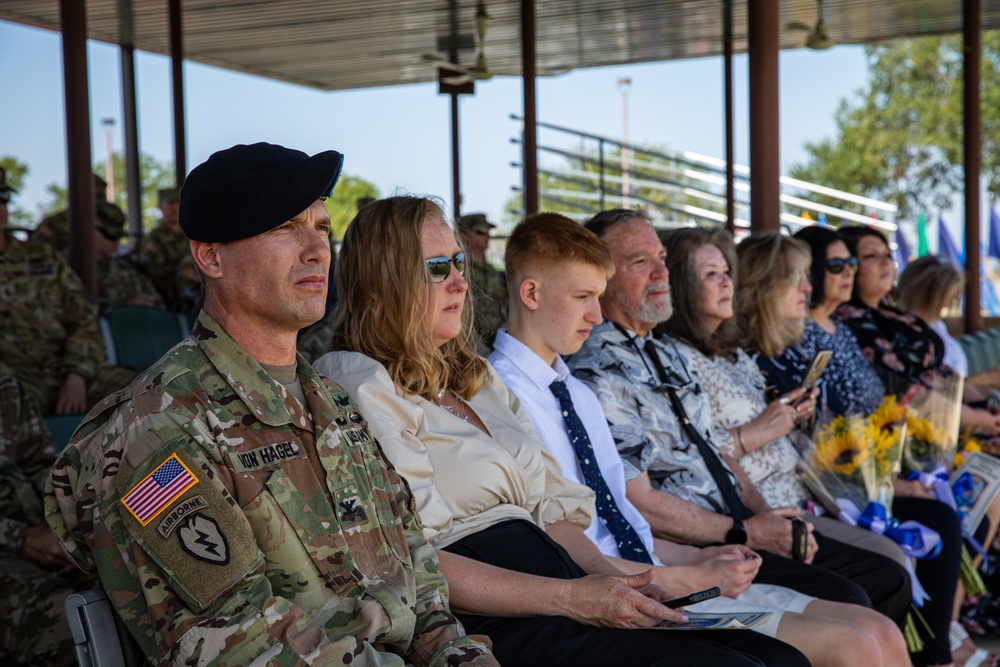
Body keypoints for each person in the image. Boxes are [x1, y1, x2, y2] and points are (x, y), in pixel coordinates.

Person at [45, 143, 498, 667]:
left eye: (322, 228)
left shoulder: (329, 404)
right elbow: (239, 645)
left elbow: (419, 577)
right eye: (285, 228)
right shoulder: (159, 426)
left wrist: (461, 656)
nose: (317, 249)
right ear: (210, 255)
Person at [316, 196, 810, 667]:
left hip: (559, 576)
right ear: (388, 279)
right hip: (489, 609)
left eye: (460, 262)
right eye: (436, 268)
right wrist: (577, 597)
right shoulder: (358, 377)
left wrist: (623, 587)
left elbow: (553, 515)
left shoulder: (475, 377)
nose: (461, 283)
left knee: (777, 657)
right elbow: (414, 556)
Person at [490, 212, 908, 667]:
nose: (596, 312)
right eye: (585, 296)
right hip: (620, 583)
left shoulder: (579, 390)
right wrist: (704, 558)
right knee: (852, 640)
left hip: (669, 560)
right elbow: (574, 527)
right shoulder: (508, 393)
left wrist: (720, 547)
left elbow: (631, 512)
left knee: (879, 631)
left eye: (663, 260)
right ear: (531, 293)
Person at [754, 226, 993, 667]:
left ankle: (945, 636)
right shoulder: (798, 340)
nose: (842, 274)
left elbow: (870, 409)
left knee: (972, 499)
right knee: (931, 524)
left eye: (852, 263)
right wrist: (891, 481)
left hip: (874, 465)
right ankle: (935, 651)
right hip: (834, 484)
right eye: (837, 264)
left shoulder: (838, 332)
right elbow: (816, 431)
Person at [0, 172, 135, 417]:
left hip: (68, 370)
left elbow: (83, 317)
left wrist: (77, 374)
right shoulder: (52, 229)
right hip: (14, 383)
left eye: (3, 197)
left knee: (156, 390)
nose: (0, 207)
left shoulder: (42, 257)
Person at [92, 200, 165, 314]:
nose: (116, 243)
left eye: (119, 236)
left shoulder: (125, 269)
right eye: (109, 235)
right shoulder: (66, 269)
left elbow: (157, 305)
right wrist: (122, 306)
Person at [457, 212, 507, 354]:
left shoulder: (495, 273)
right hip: (471, 349)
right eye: (481, 231)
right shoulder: (457, 272)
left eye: (488, 231)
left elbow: (507, 309)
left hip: (500, 347)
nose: (487, 236)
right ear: (463, 236)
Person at [138, 187, 191, 311]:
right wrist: (182, 271)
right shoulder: (154, 239)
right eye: (170, 203)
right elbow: (151, 272)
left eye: (178, 202)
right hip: (168, 300)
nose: (175, 207)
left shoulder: (190, 235)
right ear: (160, 206)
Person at [30, 173, 108, 254]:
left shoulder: (107, 225)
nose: (97, 203)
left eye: (101, 198)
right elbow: (39, 257)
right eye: (94, 197)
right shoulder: (53, 224)